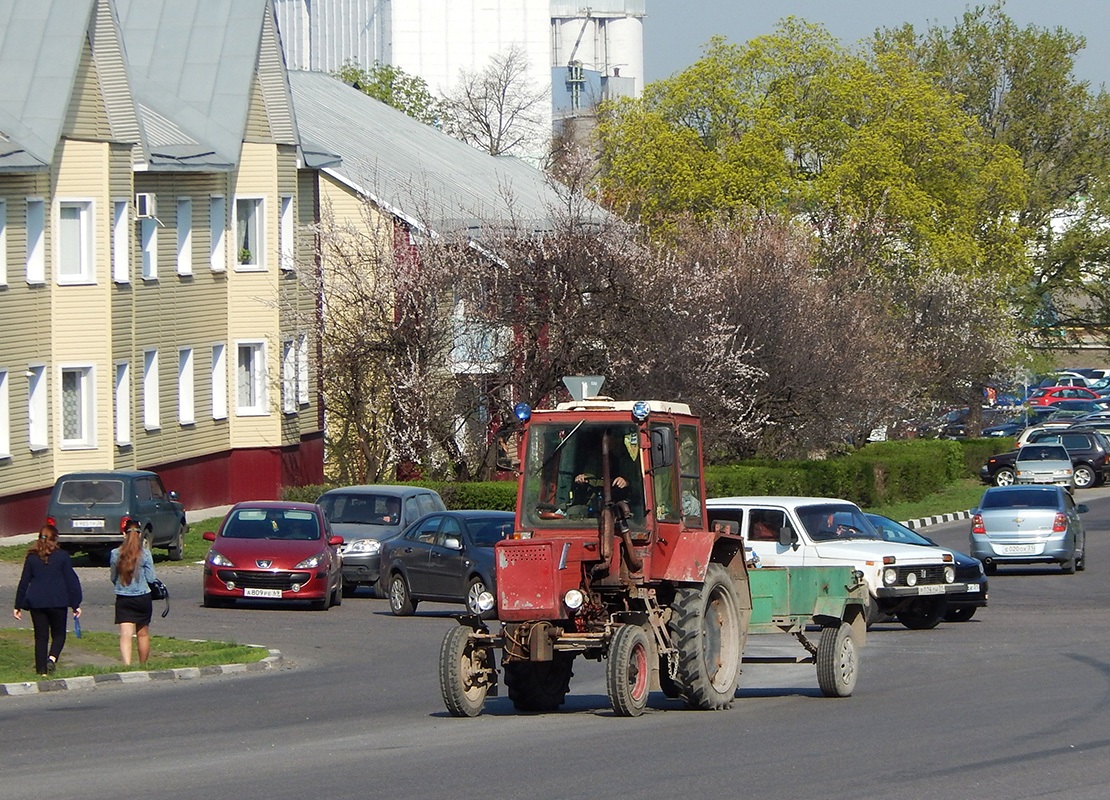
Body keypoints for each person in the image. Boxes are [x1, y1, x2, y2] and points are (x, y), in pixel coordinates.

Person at [12, 524, 83, 676]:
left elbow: (24, 582)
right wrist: (75, 603)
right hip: (58, 601)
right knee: (59, 634)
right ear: (55, 539)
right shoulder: (62, 556)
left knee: (40, 637)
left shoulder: (31, 558)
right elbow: (71, 580)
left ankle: (41, 671)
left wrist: (17, 605)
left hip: (36, 602)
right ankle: (52, 658)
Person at [110, 520, 158, 666]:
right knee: (142, 634)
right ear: (140, 534)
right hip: (143, 597)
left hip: (124, 597)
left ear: (124, 534)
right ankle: (143, 664)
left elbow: (113, 577)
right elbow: (151, 578)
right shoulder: (145, 554)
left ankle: (127, 665)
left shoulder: (115, 553)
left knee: (125, 635)